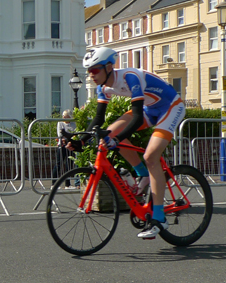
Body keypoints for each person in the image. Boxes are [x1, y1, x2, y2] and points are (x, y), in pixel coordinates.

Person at [68, 47, 185, 239]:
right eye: (89, 71)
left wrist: (116, 140)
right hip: (150, 108)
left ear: (108, 67)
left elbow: (137, 118)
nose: (91, 75)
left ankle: (159, 217)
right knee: (110, 132)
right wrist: (80, 142)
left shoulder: (130, 77)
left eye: (95, 70)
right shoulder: (102, 88)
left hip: (170, 107)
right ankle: (142, 174)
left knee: (150, 156)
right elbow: (98, 119)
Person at [56, 110, 76, 182]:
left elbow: (75, 133)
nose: (64, 117)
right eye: (63, 116)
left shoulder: (73, 123)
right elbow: (60, 134)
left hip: (71, 145)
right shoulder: (60, 123)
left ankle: (67, 183)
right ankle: (53, 183)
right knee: (59, 163)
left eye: (66, 116)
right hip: (62, 145)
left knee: (69, 164)